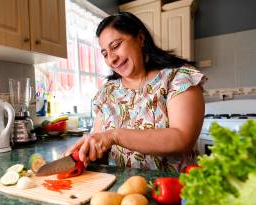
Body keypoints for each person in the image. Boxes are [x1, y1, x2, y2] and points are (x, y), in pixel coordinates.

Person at [65, 12, 206, 172]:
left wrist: (114, 136)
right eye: (105, 54)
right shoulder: (107, 92)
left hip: (176, 190)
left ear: (140, 38)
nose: (111, 59)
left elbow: (182, 138)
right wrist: (83, 153)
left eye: (116, 46)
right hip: (123, 191)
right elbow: (100, 147)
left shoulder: (177, 78)